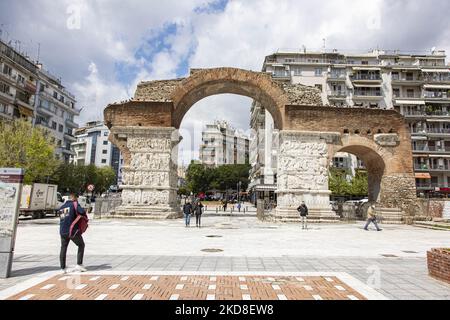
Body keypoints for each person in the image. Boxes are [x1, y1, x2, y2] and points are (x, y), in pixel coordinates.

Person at [59, 193, 88, 273]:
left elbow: (64, 218)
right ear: (75, 198)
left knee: (63, 248)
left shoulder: (62, 207)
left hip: (63, 231)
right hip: (72, 231)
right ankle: (79, 264)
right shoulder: (74, 204)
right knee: (81, 245)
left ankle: (62, 268)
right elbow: (82, 212)